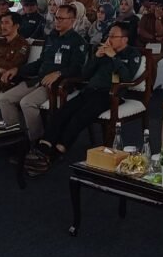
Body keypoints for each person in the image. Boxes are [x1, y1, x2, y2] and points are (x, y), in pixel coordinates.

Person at [26, 23, 142, 175]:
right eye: (109, 36)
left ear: (124, 39)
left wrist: (114, 57)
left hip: (109, 95)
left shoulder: (132, 54)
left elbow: (127, 78)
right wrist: (96, 57)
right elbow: (85, 74)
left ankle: (57, 151)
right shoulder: (102, 51)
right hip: (89, 91)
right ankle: (44, 147)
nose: (109, 39)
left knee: (79, 117)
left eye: (113, 36)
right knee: (63, 111)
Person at [0, 4, 87, 144]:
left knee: (27, 103)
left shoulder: (77, 41)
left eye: (61, 18)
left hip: (57, 84)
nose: (57, 21)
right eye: (56, 17)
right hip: (38, 79)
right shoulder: (50, 38)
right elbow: (40, 62)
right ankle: (15, 139)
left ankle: (35, 142)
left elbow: (77, 69)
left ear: (72, 20)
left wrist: (58, 73)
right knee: (5, 100)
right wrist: (17, 70)